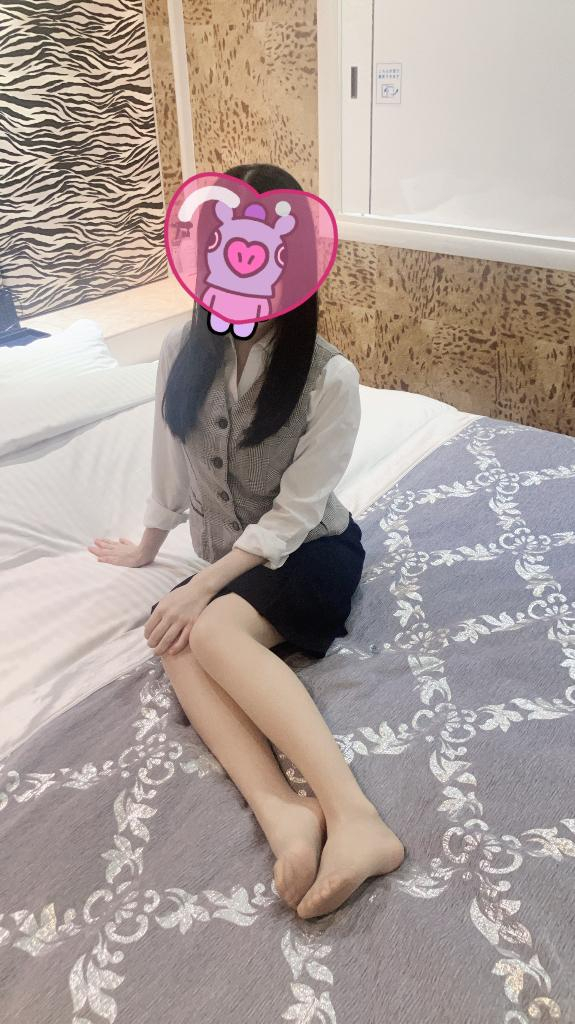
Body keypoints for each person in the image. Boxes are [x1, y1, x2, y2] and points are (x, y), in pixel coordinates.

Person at [88, 163, 405, 920]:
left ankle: (356, 816)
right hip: (232, 559)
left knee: (208, 627)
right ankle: (283, 812)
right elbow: (171, 459)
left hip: (311, 553)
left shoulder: (330, 377)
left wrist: (200, 586)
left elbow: (294, 518)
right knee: (174, 637)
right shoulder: (182, 349)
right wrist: (148, 545)